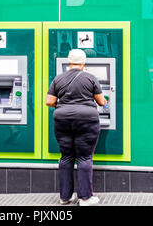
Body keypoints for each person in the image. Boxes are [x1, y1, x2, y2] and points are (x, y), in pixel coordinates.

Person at [46, 48, 107, 207]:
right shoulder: (90, 78)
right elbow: (101, 101)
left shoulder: (58, 79)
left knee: (66, 157)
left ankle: (65, 197)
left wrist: (65, 106)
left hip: (62, 120)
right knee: (84, 157)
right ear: (84, 62)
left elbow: (49, 101)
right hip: (87, 120)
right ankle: (85, 198)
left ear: (69, 61)